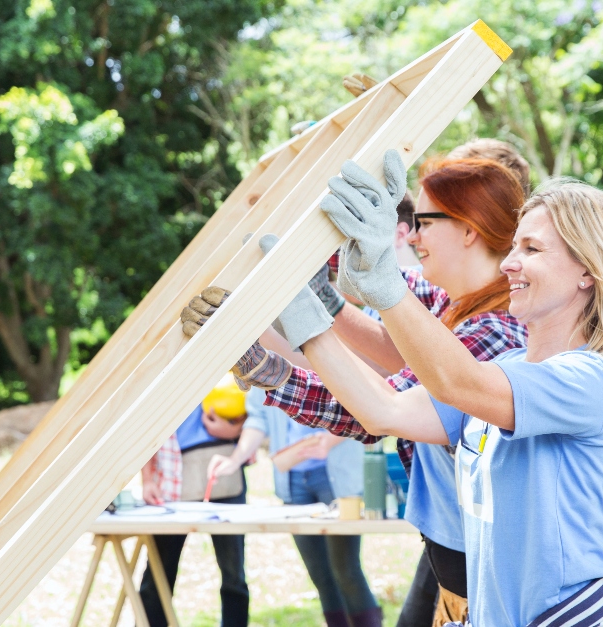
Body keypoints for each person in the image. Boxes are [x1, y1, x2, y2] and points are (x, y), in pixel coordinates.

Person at [289, 156, 603, 626]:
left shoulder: (590, 382)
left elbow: (456, 380)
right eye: (514, 246)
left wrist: (383, 281)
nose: (509, 262)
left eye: (531, 249)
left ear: (587, 272)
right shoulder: (507, 366)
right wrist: (305, 314)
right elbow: (381, 409)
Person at [182, 157, 529, 626]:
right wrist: (324, 295)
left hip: (489, 587)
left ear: (470, 230)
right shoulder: (456, 306)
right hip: (461, 570)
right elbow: (398, 350)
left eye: (423, 223)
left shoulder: (494, 334)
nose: (411, 236)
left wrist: (270, 368)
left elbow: (380, 408)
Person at [208, 390, 379, 627]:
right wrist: (234, 460)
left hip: (336, 478)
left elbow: (365, 407)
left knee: (346, 571)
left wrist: (329, 440)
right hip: (293, 481)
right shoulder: (264, 360)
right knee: (320, 575)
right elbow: (258, 419)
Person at [138, 377, 251, 627]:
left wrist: (235, 430)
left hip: (224, 475)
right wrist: (147, 479)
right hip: (171, 481)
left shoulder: (227, 363)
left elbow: (255, 411)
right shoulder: (161, 373)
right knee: (158, 571)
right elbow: (144, 426)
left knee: (234, 574)